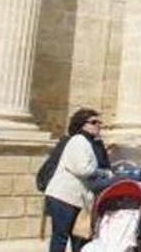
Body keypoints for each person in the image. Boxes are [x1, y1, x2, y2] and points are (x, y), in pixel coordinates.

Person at [44, 108, 110, 252]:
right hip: (64, 197)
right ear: (82, 124)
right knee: (61, 237)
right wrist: (103, 173)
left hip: (76, 199)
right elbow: (82, 169)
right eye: (93, 122)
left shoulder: (91, 143)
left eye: (99, 122)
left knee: (79, 236)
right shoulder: (79, 141)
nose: (98, 125)